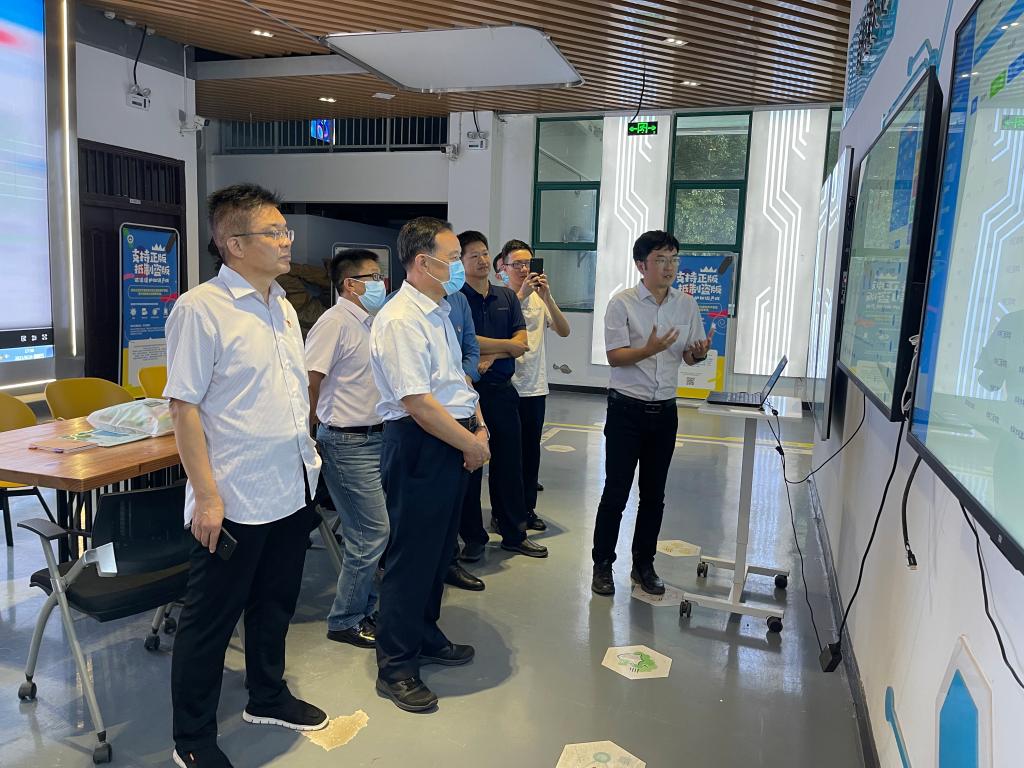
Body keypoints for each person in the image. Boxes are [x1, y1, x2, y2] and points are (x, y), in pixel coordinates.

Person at [165, 184, 327, 768]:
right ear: (234, 243)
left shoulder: (281, 304)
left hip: (290, 485)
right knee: (209, 622)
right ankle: (192, 739)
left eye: (286, 231)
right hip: (234, 498)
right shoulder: (200, 309)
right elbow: (183, 408)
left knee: (275, 603)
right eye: (274, 232)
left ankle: (267, 695)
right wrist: (207, 497)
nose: (287, 241)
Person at [369, 217, 490, 713]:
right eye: (454, 258)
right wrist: (471, 445)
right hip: (421, 443)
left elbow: (456, 381)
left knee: (440, 552)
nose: (461, 266)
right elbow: (418, 402)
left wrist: (478, 425)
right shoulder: (401, 319)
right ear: (423, 262)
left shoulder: (438, 310)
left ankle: (424, 633)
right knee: (412, 557)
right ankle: (396, 665)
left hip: (452, 438)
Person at [591, 230, 714, 597]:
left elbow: (689, 356)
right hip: (626, 410)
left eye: (673, 259)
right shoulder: (622, 304)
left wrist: (698, 354)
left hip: (665, 412)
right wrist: (649, 349)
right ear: (641, 265)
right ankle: (602, 565)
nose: (669, 267)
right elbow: (615, 357)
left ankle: (644, 564)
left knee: (654, 494)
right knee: (616, 492)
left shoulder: (686, 304)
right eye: (660, 259)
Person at [306, 249, 389, 650]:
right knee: (370, 532)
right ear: (350, 285)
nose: (381, 283)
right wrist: (306, 432)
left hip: (376, 437)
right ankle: (345, 619)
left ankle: (365, 608)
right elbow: (311, 380)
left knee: (372, 531)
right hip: (346, 442)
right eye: (373, 277)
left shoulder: (371, 323)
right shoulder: (334, 323)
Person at [457, 230, 548, 560]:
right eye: (473, 255)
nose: (482, 260)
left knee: (510, 465)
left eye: (484, 253)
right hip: (469, 394)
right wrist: (506, 345)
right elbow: (465, 342)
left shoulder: (506, 297)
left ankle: (514, 533)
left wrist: (495, 350)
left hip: (503, 392)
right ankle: (473, 538)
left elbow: (522, 342)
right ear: (461, 262)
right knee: (471, 466)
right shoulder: (456, 300)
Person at [494, 239, 570, 530]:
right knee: (505, 455)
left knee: (530, 453)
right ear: (504, 267)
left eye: (528, 263)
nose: (524, 269)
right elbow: (496, 334)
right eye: (517, 264)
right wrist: (521, 295)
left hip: (535, 387)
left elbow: (564, 330)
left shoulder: (539, 298)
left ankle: (527, 509)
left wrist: (547, 297)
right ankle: (503, 513)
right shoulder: (500, 298)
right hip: (506, 386)